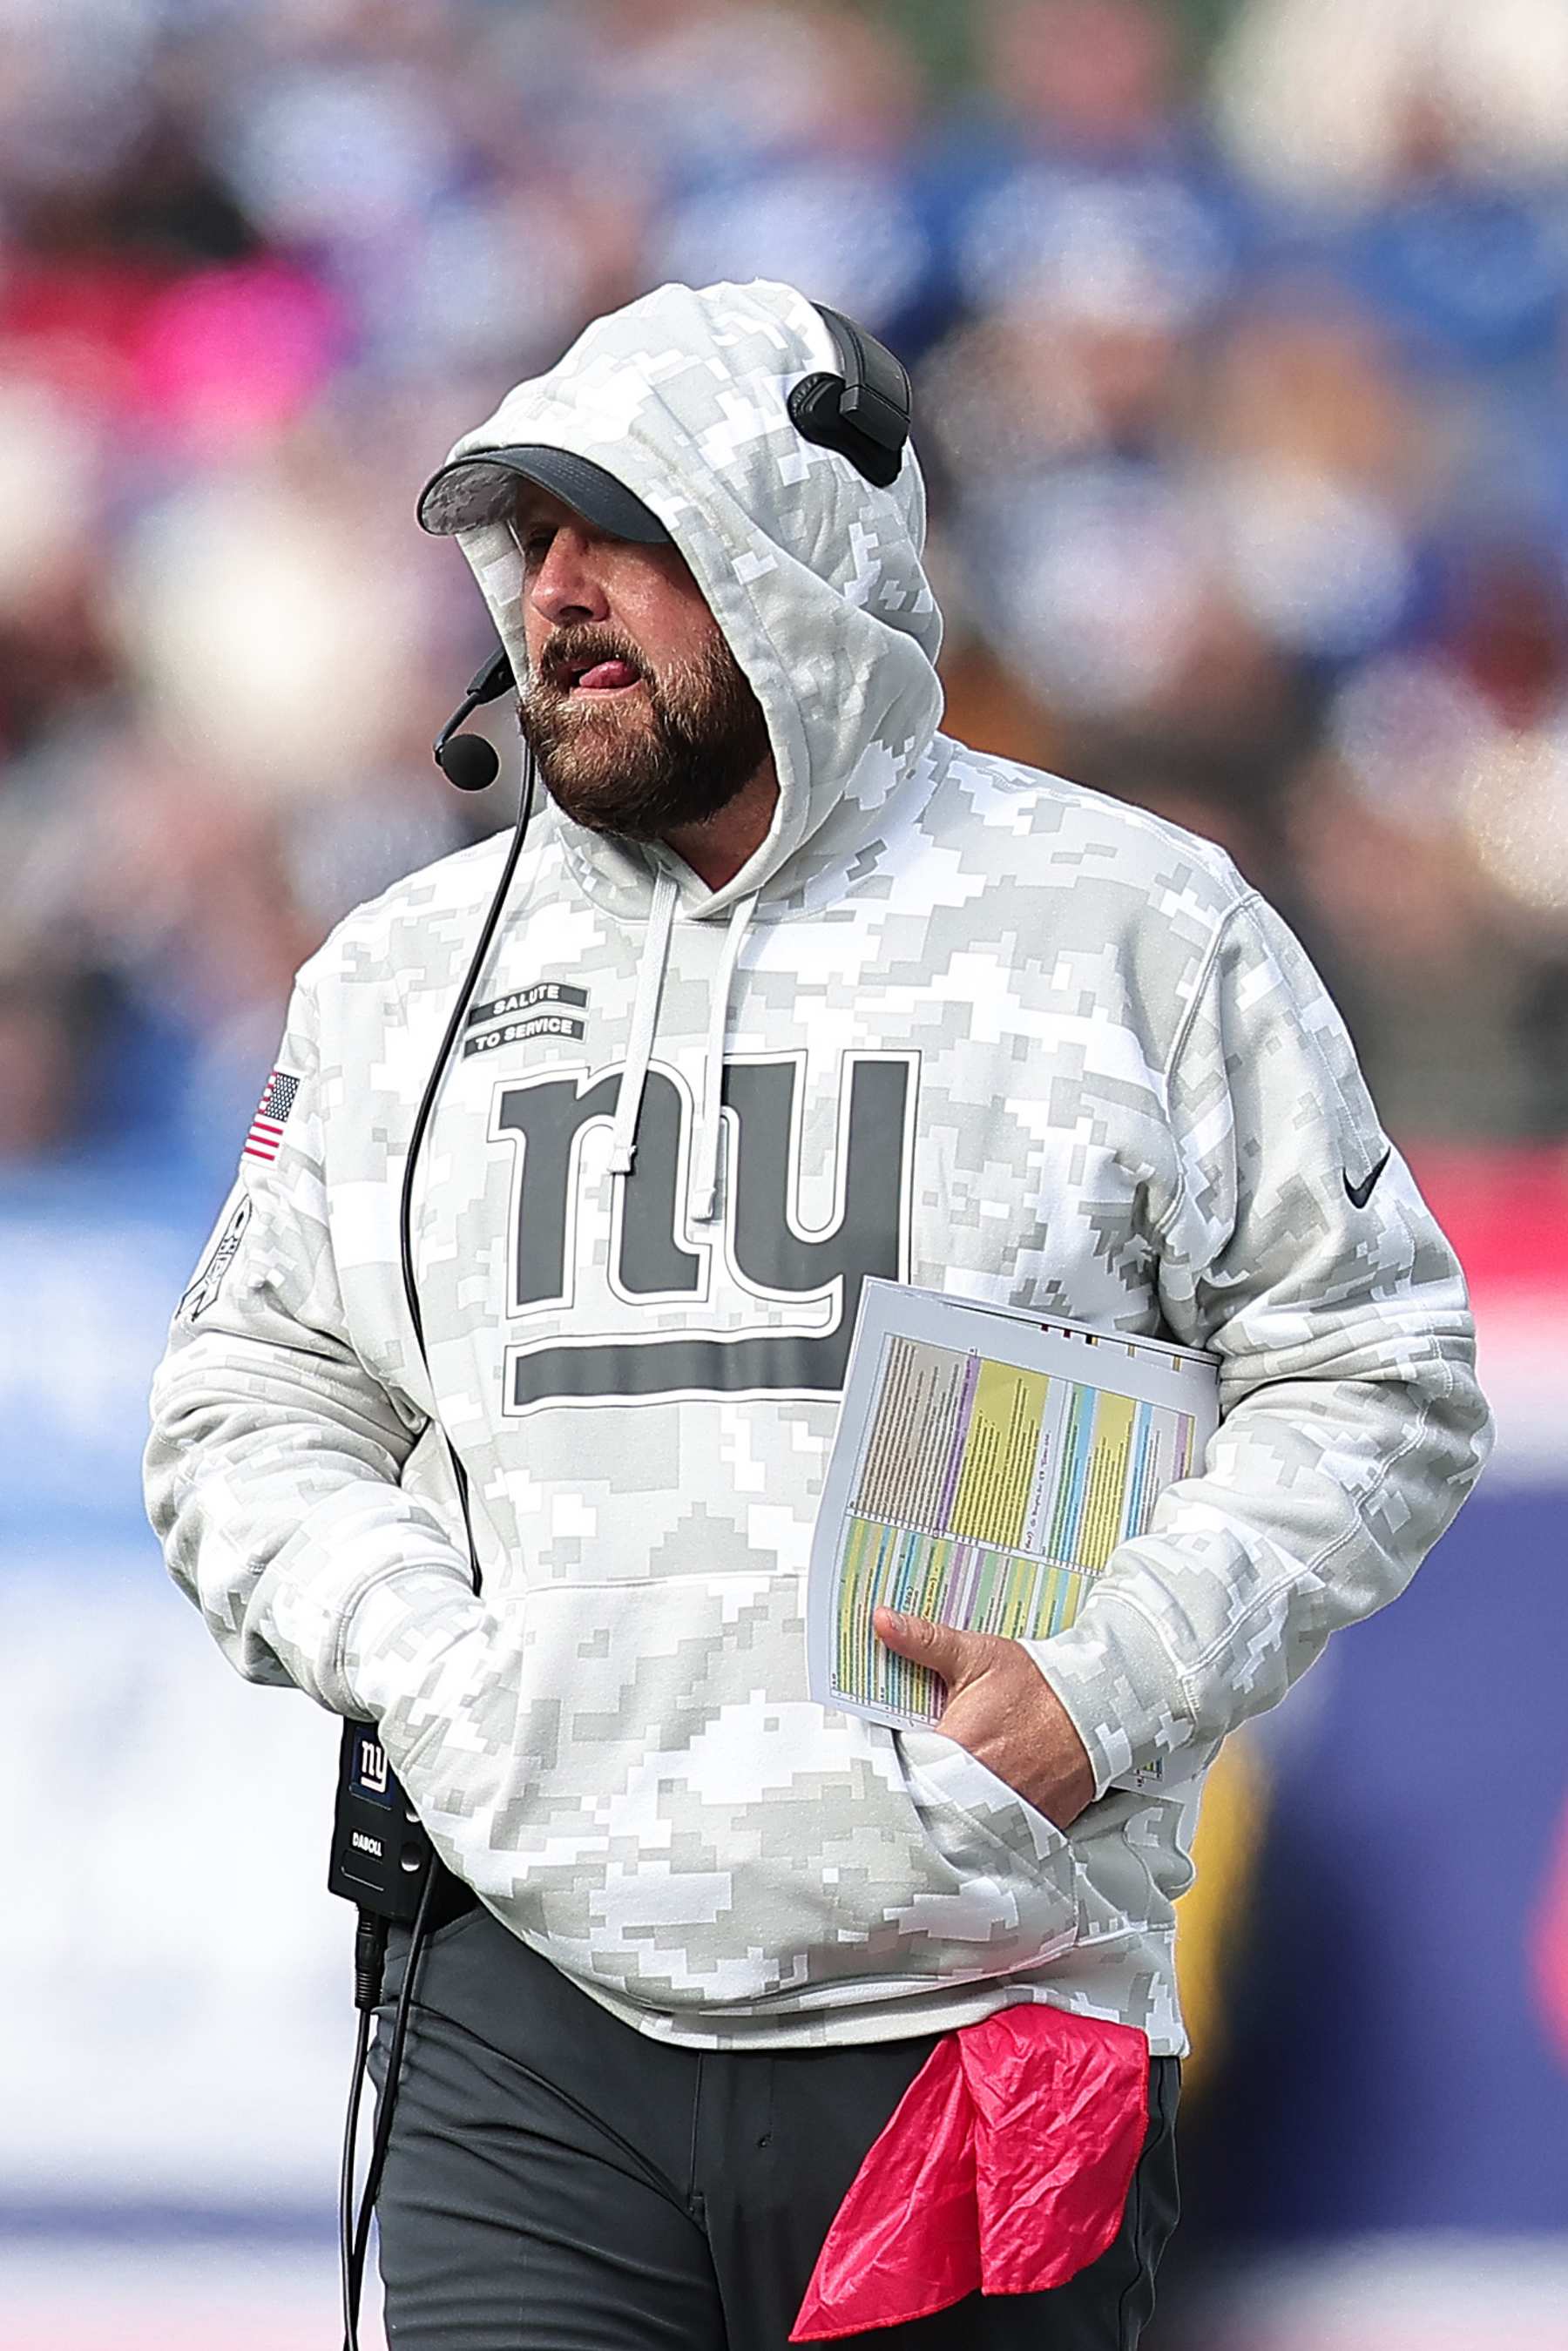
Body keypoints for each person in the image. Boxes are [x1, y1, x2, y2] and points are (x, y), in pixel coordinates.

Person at [145, 279, 1491, 2348]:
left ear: (798, 563)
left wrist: (1106, 1685)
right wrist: (439, 1672)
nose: (558, 593)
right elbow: (245, 1400)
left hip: (980, 2017)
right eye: (527, 539)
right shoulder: (399, 982)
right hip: (521, 2020)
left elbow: (1379, 1376)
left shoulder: (1134, 933)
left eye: (629, 533)